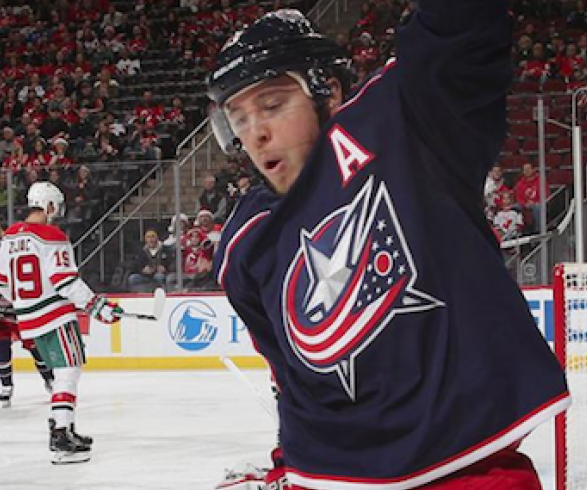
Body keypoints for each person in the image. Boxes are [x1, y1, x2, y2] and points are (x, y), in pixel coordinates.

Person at [207, 6, 568, 490]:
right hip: (332, 478)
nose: (256, 134)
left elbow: (458, 31)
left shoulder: (405, 126)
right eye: (239, 118)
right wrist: (287, 466)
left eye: (272, 105)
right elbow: (292, 378)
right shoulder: (244, 241)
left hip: (469, 471)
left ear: (328, 92)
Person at [0, 182, 121, 464]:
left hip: (28, 319)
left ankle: (64, 427)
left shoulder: (10, 235)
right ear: (49, 205)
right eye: (55, 208)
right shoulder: (52, 235)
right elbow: (65, 280)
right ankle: (61, 435)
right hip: (55, 315)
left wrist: (22, 301)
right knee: (68, 370)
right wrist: (97, 306)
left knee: (61, 371)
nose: (56, 214)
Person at [0, 237, 54, 407]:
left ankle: (50, 379)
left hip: (21, 318)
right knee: (1, 350)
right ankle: (6, 386)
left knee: (36, 350)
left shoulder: (16, 271)